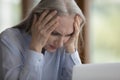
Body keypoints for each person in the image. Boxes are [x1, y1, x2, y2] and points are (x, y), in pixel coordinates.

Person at [0, 0, 85, 80]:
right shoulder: (9, 39)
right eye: (54, 33)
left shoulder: (66, 44)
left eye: (69, 34)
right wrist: (35, 48)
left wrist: (70, 49)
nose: (60, 44)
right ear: (36, 21)